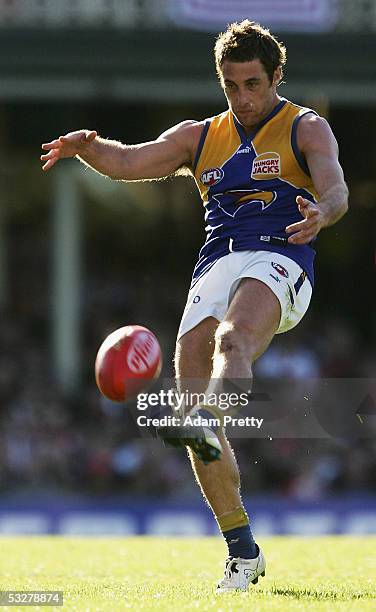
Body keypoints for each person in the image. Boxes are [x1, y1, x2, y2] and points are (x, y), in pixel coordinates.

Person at [41, 20, 348, 592]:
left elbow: (335, 186)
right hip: (215, 264)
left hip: (281, 254)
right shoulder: (201, 136)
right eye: (231, 86)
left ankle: (216, 413)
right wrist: (89, 149)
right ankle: (242, 551)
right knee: (189, 412)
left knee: (232, 343)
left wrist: (322, 213)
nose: (243, 97)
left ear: (276, 76)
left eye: (253, 83)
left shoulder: (306, 127)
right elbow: (133, 161)